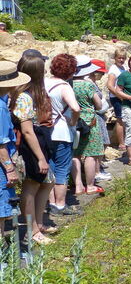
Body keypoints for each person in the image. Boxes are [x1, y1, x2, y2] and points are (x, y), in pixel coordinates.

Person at [10, 55, 55, 245]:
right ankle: (32, 230)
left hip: (37, 143)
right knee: (31, 186)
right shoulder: (24, 97)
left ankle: (37, 224)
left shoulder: (26, 94)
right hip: (30, 147)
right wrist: (40, 158)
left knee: (46, 182)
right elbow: (27, 131)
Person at [44, 54, 81, 215]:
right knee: (62, 169)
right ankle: (60, 205)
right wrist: (73, 121)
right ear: (71, 70)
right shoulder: (65, 86)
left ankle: (50, 202)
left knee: (49, 168)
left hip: (45, 130)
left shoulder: (43, 82)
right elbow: (76, 108)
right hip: (61, 131)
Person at [0, 61, 29, 239]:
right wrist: (10, 169)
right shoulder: (1, 108)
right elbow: (1, 144)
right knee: (1, 213)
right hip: (1, 168)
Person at [71, 56, 105, 196]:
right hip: (90, 121)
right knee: (90, 154)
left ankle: (78, 185)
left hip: (74, 121)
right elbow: (98, 104)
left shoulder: (69, 84)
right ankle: (90, 185)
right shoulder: (88, 85)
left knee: (75, 154)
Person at [91, 59, 112, 181]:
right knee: (99, 144)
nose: (103, 75)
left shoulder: (94, 83)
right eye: (101, 72)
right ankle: (96, 171)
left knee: (103, 142)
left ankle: (98, 168)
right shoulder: (90, 84)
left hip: (100, 116)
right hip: (97, 115)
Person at [107, 48, 127, 151]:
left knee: (124, 119)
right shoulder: (113, 69)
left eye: (123, 58)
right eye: (119, 58)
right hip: (116, 97)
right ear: (115, 58)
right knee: (120, 119)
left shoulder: (123, 68)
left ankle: (124, 140)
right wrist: (119, 95)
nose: (121, 60)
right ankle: (121, 143)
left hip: (123, 96)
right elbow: (110, 86)